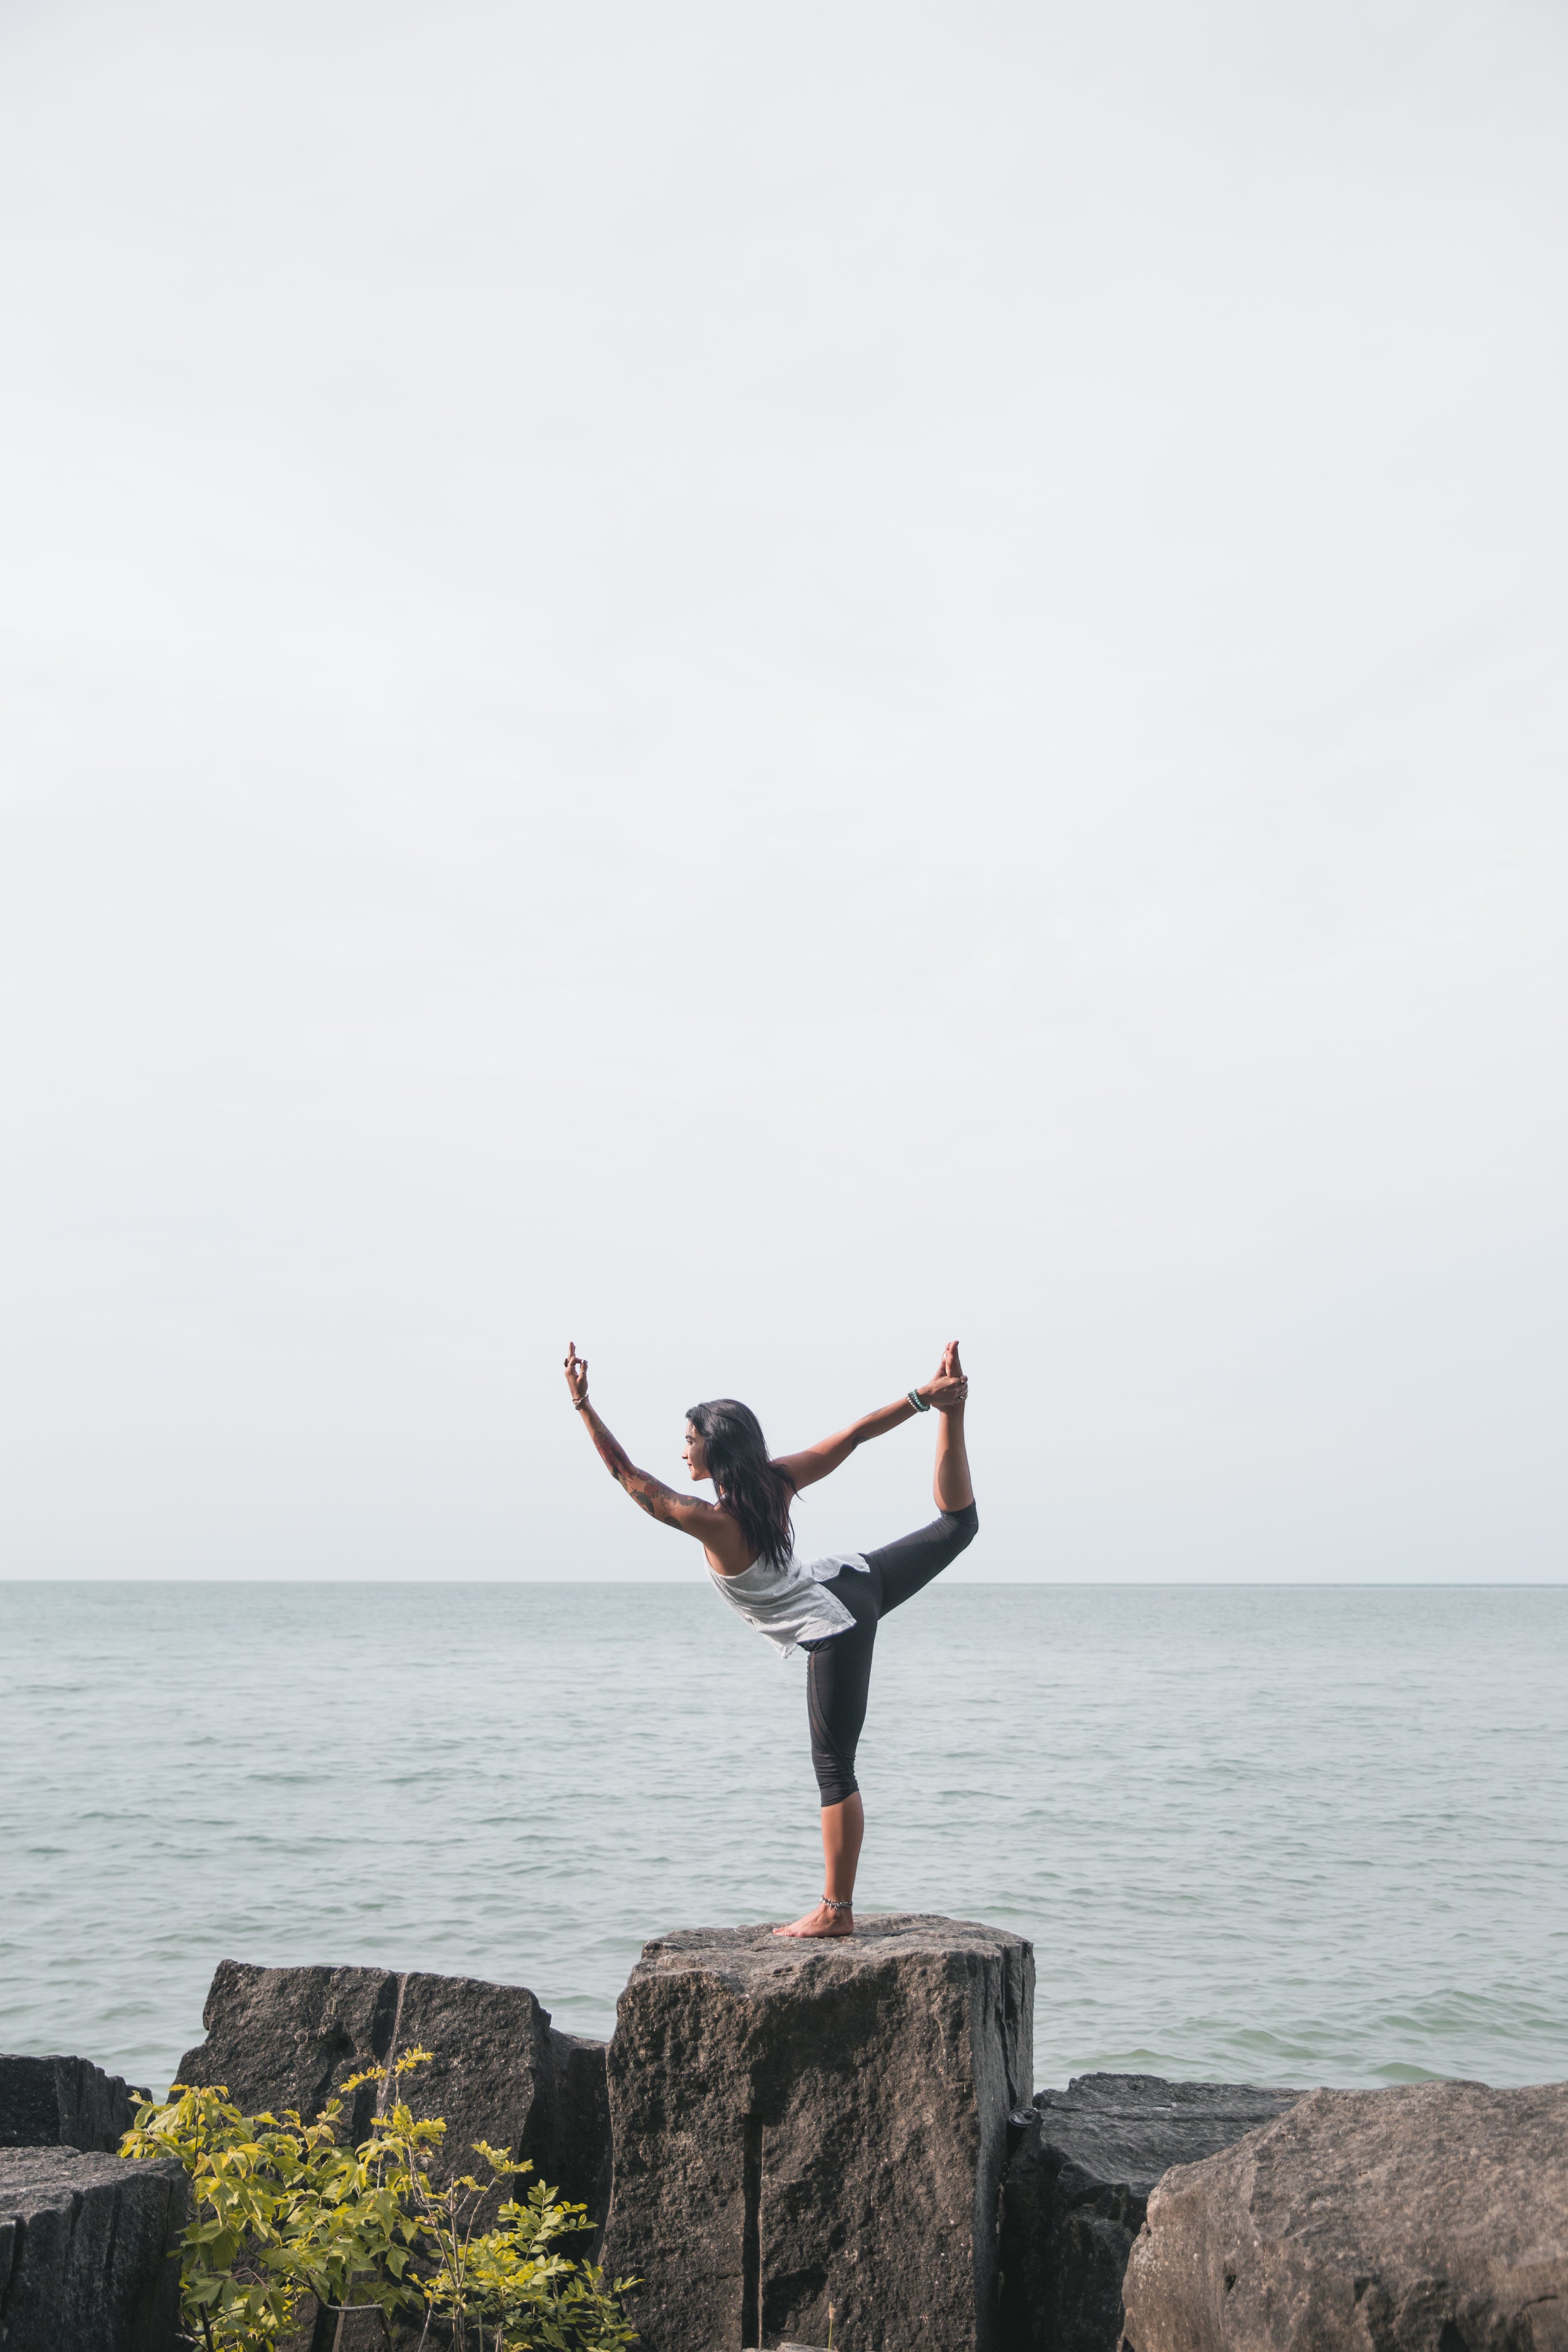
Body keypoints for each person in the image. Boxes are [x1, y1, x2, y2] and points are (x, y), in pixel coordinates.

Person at [562, 1339, 976, 1937]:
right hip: (856, 1578)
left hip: (834, 1622)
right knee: (956, 1526)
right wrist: (926, 1398)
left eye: (688, 1440)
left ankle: (836, 1912)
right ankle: (954, 1413)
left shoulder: (711, 1521)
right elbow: (855, 1435)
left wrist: (582, 1404)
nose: (682, 1451)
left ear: (715, 1445)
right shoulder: (775, 1481)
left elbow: (628, 1476)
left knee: (835, 1768)